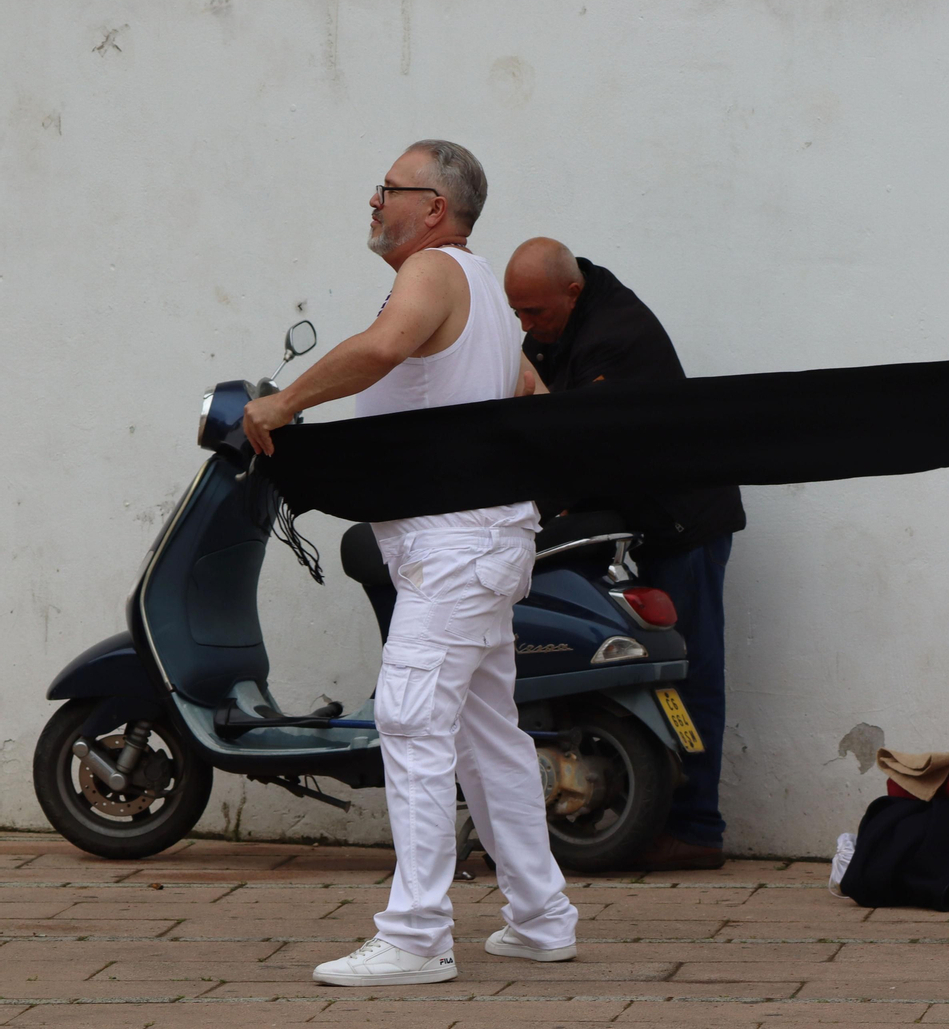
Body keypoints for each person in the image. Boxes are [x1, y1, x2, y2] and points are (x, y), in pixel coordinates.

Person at [243, 140, 578, 985]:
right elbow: (529, 392)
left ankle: (418, 937)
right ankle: (542, 919)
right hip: (483, 539)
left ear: (434, 208)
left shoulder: (432, 270)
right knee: (487, 736)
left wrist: (284, 403)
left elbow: (386, 346)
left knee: (411, 721)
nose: (374, 199)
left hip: (455, 545)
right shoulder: (485, 288)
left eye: (388, 188)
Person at [505, 237, 746, 870]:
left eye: (534, 312)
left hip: (685, 521)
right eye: (516, 312)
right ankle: (652, 815)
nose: (525, 325)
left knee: (689, 670)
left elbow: (585, 444)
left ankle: (698, 830)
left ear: (572, 291)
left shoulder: (617, 335)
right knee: (647, 666)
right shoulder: (559, 325)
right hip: (638, 517)